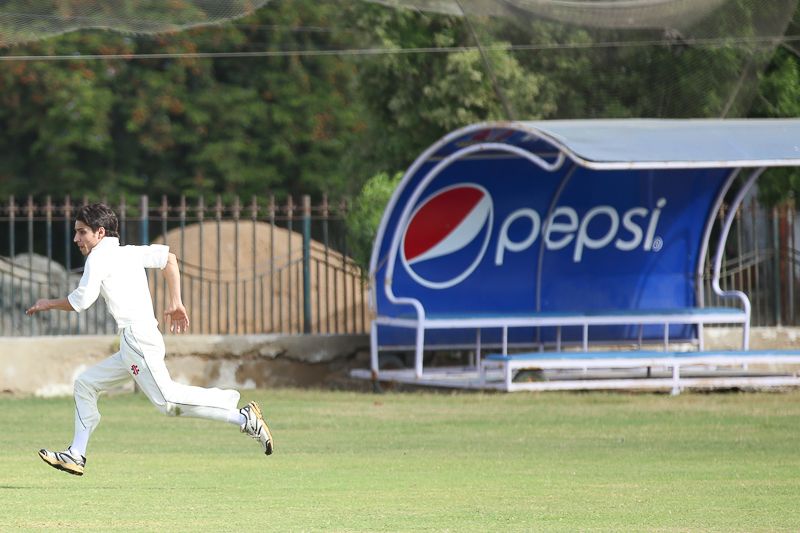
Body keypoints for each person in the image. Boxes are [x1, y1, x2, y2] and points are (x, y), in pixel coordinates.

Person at [26, 203, 273, 476]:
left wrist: (48, 303)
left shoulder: (98, 258)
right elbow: (169, 259)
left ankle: (242, 417)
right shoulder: (129, 252)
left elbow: (81, 301)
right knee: (86, 384)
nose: (76, 238)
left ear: (100, 232)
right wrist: (176, 301)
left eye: (82, 232)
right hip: (139, 339)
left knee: (168, 403)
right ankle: (76, 453)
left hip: (136, 340)